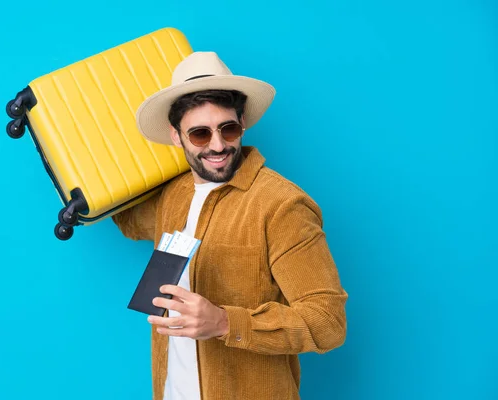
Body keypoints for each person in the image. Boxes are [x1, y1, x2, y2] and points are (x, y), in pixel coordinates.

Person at [112, 51, 348, 400]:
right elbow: (126, 217)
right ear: (176, 136)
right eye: (199, 134)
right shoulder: (172, 196)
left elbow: (328, 323)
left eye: (228, 128)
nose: (218, 145)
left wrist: (224, 322)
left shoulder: (282, 206)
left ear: (243, 124)